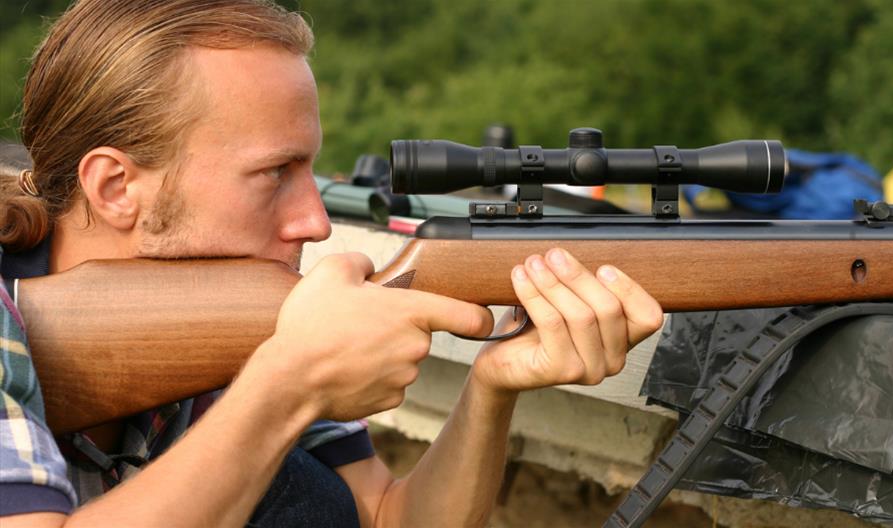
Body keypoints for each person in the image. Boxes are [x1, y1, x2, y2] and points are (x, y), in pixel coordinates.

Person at [0, 1, 664, 526]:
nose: (315, 221)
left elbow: (387, 518)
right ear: (117, 188)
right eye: (274, 173)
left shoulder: (253, 307)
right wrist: (289, 381)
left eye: (310, 169)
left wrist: (493, 386)